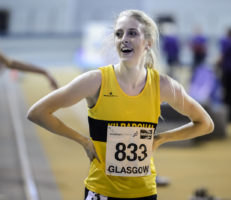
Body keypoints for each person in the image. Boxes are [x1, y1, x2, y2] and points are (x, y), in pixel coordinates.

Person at [27, 10, 214, 200]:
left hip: (145, 192)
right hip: (101, 191)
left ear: (148, 43)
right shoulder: (95, 81)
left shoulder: (163, 86)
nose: (124, 39)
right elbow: (38, 112)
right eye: (119, 34)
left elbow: (205, 124)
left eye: (132, 33)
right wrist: (82, 140)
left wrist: (161, 139)